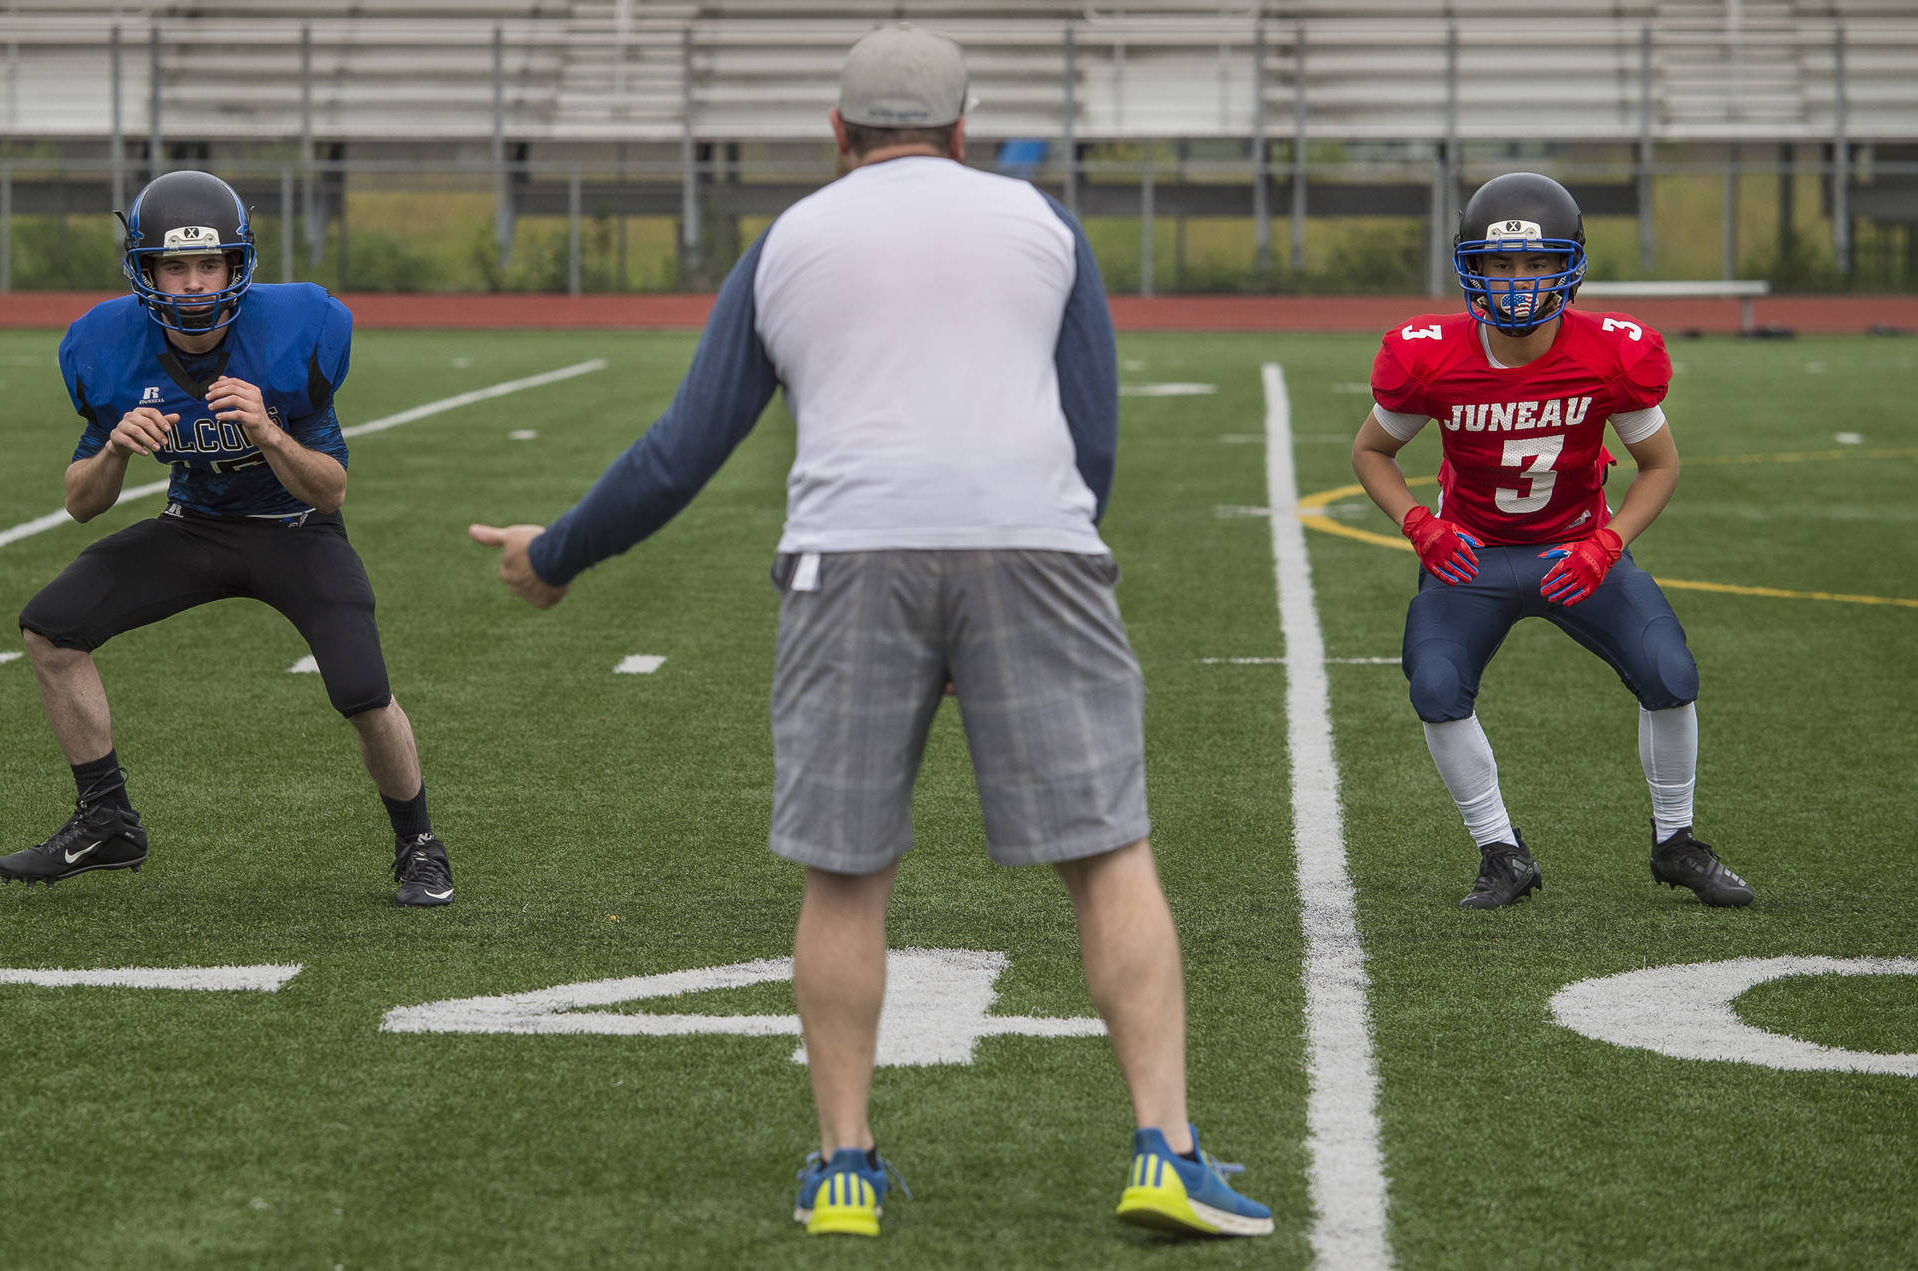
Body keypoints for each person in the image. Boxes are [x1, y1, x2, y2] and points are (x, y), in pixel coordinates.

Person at [470, 23, 1271, 1242]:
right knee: (1107, 849)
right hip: (1034, 544)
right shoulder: (1039, 223)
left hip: (847, 556)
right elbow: (1090, 432)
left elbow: (685, 449)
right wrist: (1038, 555)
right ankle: (1163, 1144)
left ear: (837, 138)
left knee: (844, 872)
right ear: (961, 131)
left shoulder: (789, 238)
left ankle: (844, 1163)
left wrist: (557, 553)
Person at [0, 169, 455, 908]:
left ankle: (421, 845)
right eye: (176, 266)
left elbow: (329, 488)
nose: (195, 283)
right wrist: (114, 450)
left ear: (238, 267)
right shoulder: (106, 345)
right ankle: (107, 819)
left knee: (363, 690)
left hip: (295, 528)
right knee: (51, 627)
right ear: (145, 271)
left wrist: (269, 429)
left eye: (209, 264)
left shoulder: (297, 329)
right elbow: (82, 503)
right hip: (196, 527)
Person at [1350, 171, 1753, 911]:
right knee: (1436, 685)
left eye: (1537, 263)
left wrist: (1609, 541)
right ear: (1470, 266)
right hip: (1470, 553)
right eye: (1500, 264)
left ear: (1570, 265)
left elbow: (1658, 466)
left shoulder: (1608, 352)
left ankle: (1677, 841)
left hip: (1575, 549)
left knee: (1670, 670)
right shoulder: (1431, 354)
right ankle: (1502, 851)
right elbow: (1371, 452)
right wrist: (1420, 523)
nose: (1517, 283)